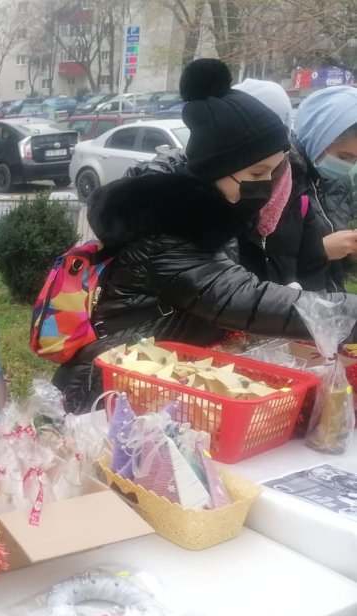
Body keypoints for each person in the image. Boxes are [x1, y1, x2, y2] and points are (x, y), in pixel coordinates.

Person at [52, 59, 357, 412]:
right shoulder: (166, 229)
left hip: (159, 383)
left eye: (274, 172)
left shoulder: (222, 210)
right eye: (257, 173)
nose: (268, 185)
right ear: (217, 169)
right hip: (106, 393)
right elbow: (242, 298)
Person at [232, 78, 333, 290]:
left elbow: (313, 268)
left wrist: (302, 301)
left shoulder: (298, 196)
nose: (265, 179)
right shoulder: (213, 199)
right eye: (257, 171)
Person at [295, 86, 357, 288]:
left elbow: (335, 262)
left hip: (330, 298)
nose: (348, 166)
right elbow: (264, 262)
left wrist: (349, 251)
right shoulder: (283, 180)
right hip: (292, 301)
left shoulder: (339, 182)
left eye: (355, 160)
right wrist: (319, 251)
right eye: (344, 156)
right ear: (319, 138)